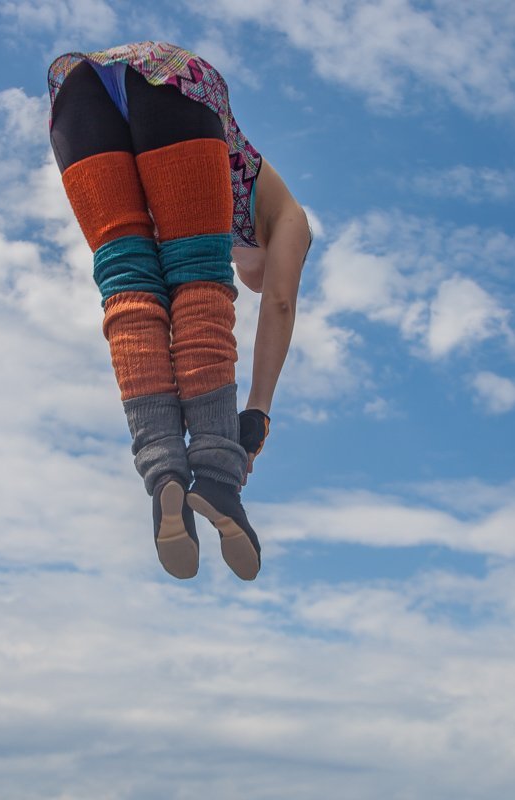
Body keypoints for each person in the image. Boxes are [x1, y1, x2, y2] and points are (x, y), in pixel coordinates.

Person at [47, 42, 312, 581]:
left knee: (130, 288)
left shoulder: (241, 221)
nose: (258, 281)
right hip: (174, 84)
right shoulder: (290, 219)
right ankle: (214, 476)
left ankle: (164, 471)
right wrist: (257, 413)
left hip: (80, 88)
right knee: (199, 288)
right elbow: (280, 305)